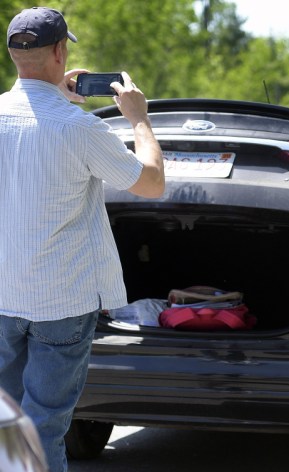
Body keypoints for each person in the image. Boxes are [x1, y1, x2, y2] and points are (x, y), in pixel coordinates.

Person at [0, 7, 164, 472]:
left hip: (2, 295)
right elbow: (150, 182)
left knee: (9, 423)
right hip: (62, 300)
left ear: (14, 55)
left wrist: (54, 93)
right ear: (59, 51)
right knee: (45, 423)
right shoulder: (81, 128)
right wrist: (139, 119)